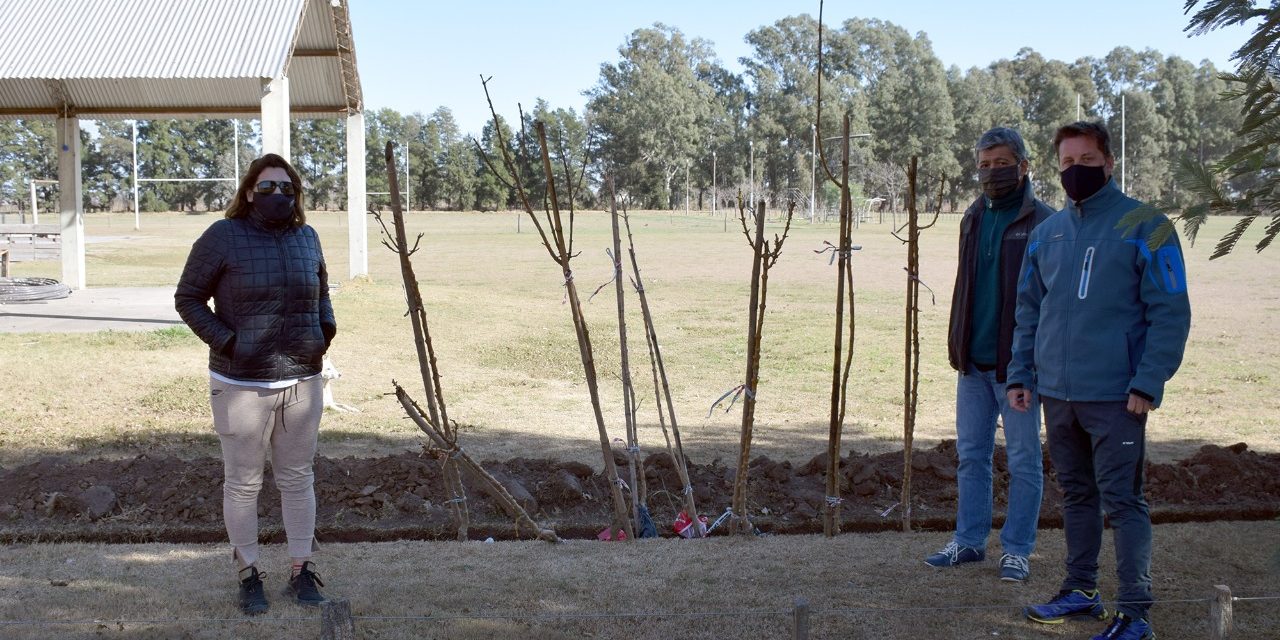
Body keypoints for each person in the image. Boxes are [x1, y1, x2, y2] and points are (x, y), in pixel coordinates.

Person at [1008, 122, 1191, 640]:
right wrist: (1023, 372)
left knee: (1124, 502)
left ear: (1110, 162)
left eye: (1087, 161)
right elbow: (1028, 310)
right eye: (1066, 164)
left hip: (1118, 397)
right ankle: (1081, 591)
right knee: (1076, 496)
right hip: (1058, 396)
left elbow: (1170, 312)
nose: (1075, 172)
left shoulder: (1147, 224)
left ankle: (1135, 615)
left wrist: (1148, 382)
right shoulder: (1048, 233)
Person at [175, 153, 336, 615]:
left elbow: (321, 291)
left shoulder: (308, 237)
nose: (278, 196)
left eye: (286, 188)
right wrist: (229, 343)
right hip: (241, 382)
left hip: (303, 380)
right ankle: (248, 574)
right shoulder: (223, 236)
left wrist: (324, 332)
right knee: (243, 484)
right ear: (249, 192)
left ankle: (301, 570)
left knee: (297, 478)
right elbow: (188, 298)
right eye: (267, 188)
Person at [926, 127, 1052, 582]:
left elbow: (1046, 302)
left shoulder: (1045, 223)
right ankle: (969, 541)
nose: (992, 172)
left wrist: (1029, 365)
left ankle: (1017, 550)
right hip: (972, 365)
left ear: (1023, 166)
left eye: (1001, 163)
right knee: (971, 456)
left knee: (1023, 460)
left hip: (1018, 370)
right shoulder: (972, 217)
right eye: (984, 164)